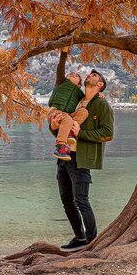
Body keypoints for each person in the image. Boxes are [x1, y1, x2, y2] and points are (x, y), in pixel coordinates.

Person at [57, 68, 114, 252]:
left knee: (81, 199)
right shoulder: (77, 99)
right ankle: (79, 236)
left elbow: (107, 133)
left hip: (80, 157)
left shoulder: (102, 105)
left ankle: (91, 240)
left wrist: (82, 134)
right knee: (66, 199)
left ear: (100, 86)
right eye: (90, 74)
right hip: (63, 154)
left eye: (95, 76)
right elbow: (61, 85)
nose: (89, 75)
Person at [47, 49, 100, 159]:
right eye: (70, 74)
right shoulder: (61, 82)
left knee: (84, 111)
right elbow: (61, 65)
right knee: (67, 119)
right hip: (55, 112)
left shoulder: (79, 93)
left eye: (76, 75)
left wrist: (99, 94)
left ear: (79, 84)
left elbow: (89, 97)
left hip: (67, 117)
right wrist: (64, 52)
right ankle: (60, 147)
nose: (72, 75)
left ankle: (70, 133)